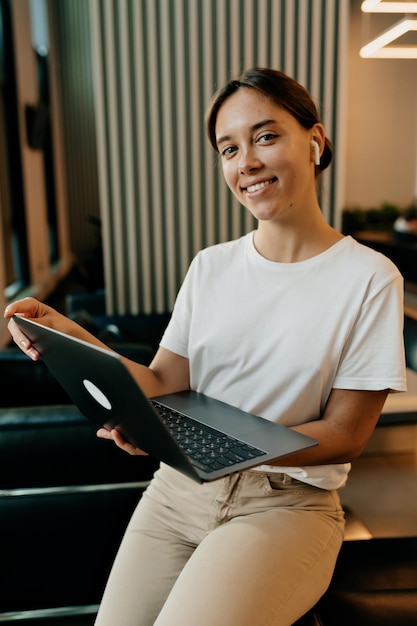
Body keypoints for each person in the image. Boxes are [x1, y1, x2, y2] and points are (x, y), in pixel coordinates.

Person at [5, 68, 407, 625]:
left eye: (266, 137)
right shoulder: (211, 266)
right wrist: (67, 334)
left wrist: (210, 439)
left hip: (287, 505)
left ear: (314, 142)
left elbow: (346, 436)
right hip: (177, 493)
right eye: (229, 148)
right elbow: (164, 385)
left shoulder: (369, 277)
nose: (246, 163)